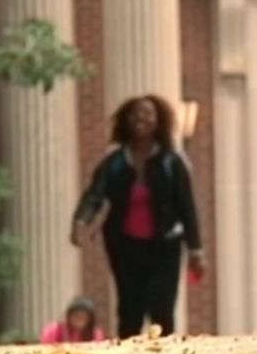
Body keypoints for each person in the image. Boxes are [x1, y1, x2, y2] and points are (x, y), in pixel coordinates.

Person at [71, 94, 206, 339]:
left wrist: (196, 250)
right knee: (130, 309)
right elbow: (95, 194)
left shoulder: (171, 162)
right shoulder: (114, 163)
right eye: (135, 113)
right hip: (125, 246)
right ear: (126, 121)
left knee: (162, 308)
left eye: (147, 113)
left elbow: (187, 207)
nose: (140, 118)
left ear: (158, 121)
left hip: (165, 245)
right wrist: (81, 221)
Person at [41, 297, 106, 344]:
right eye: (76, 316)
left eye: (83, 317)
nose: (79, 320)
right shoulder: (54, 330)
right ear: (69, 317)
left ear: (90, 320)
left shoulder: (95, 333)